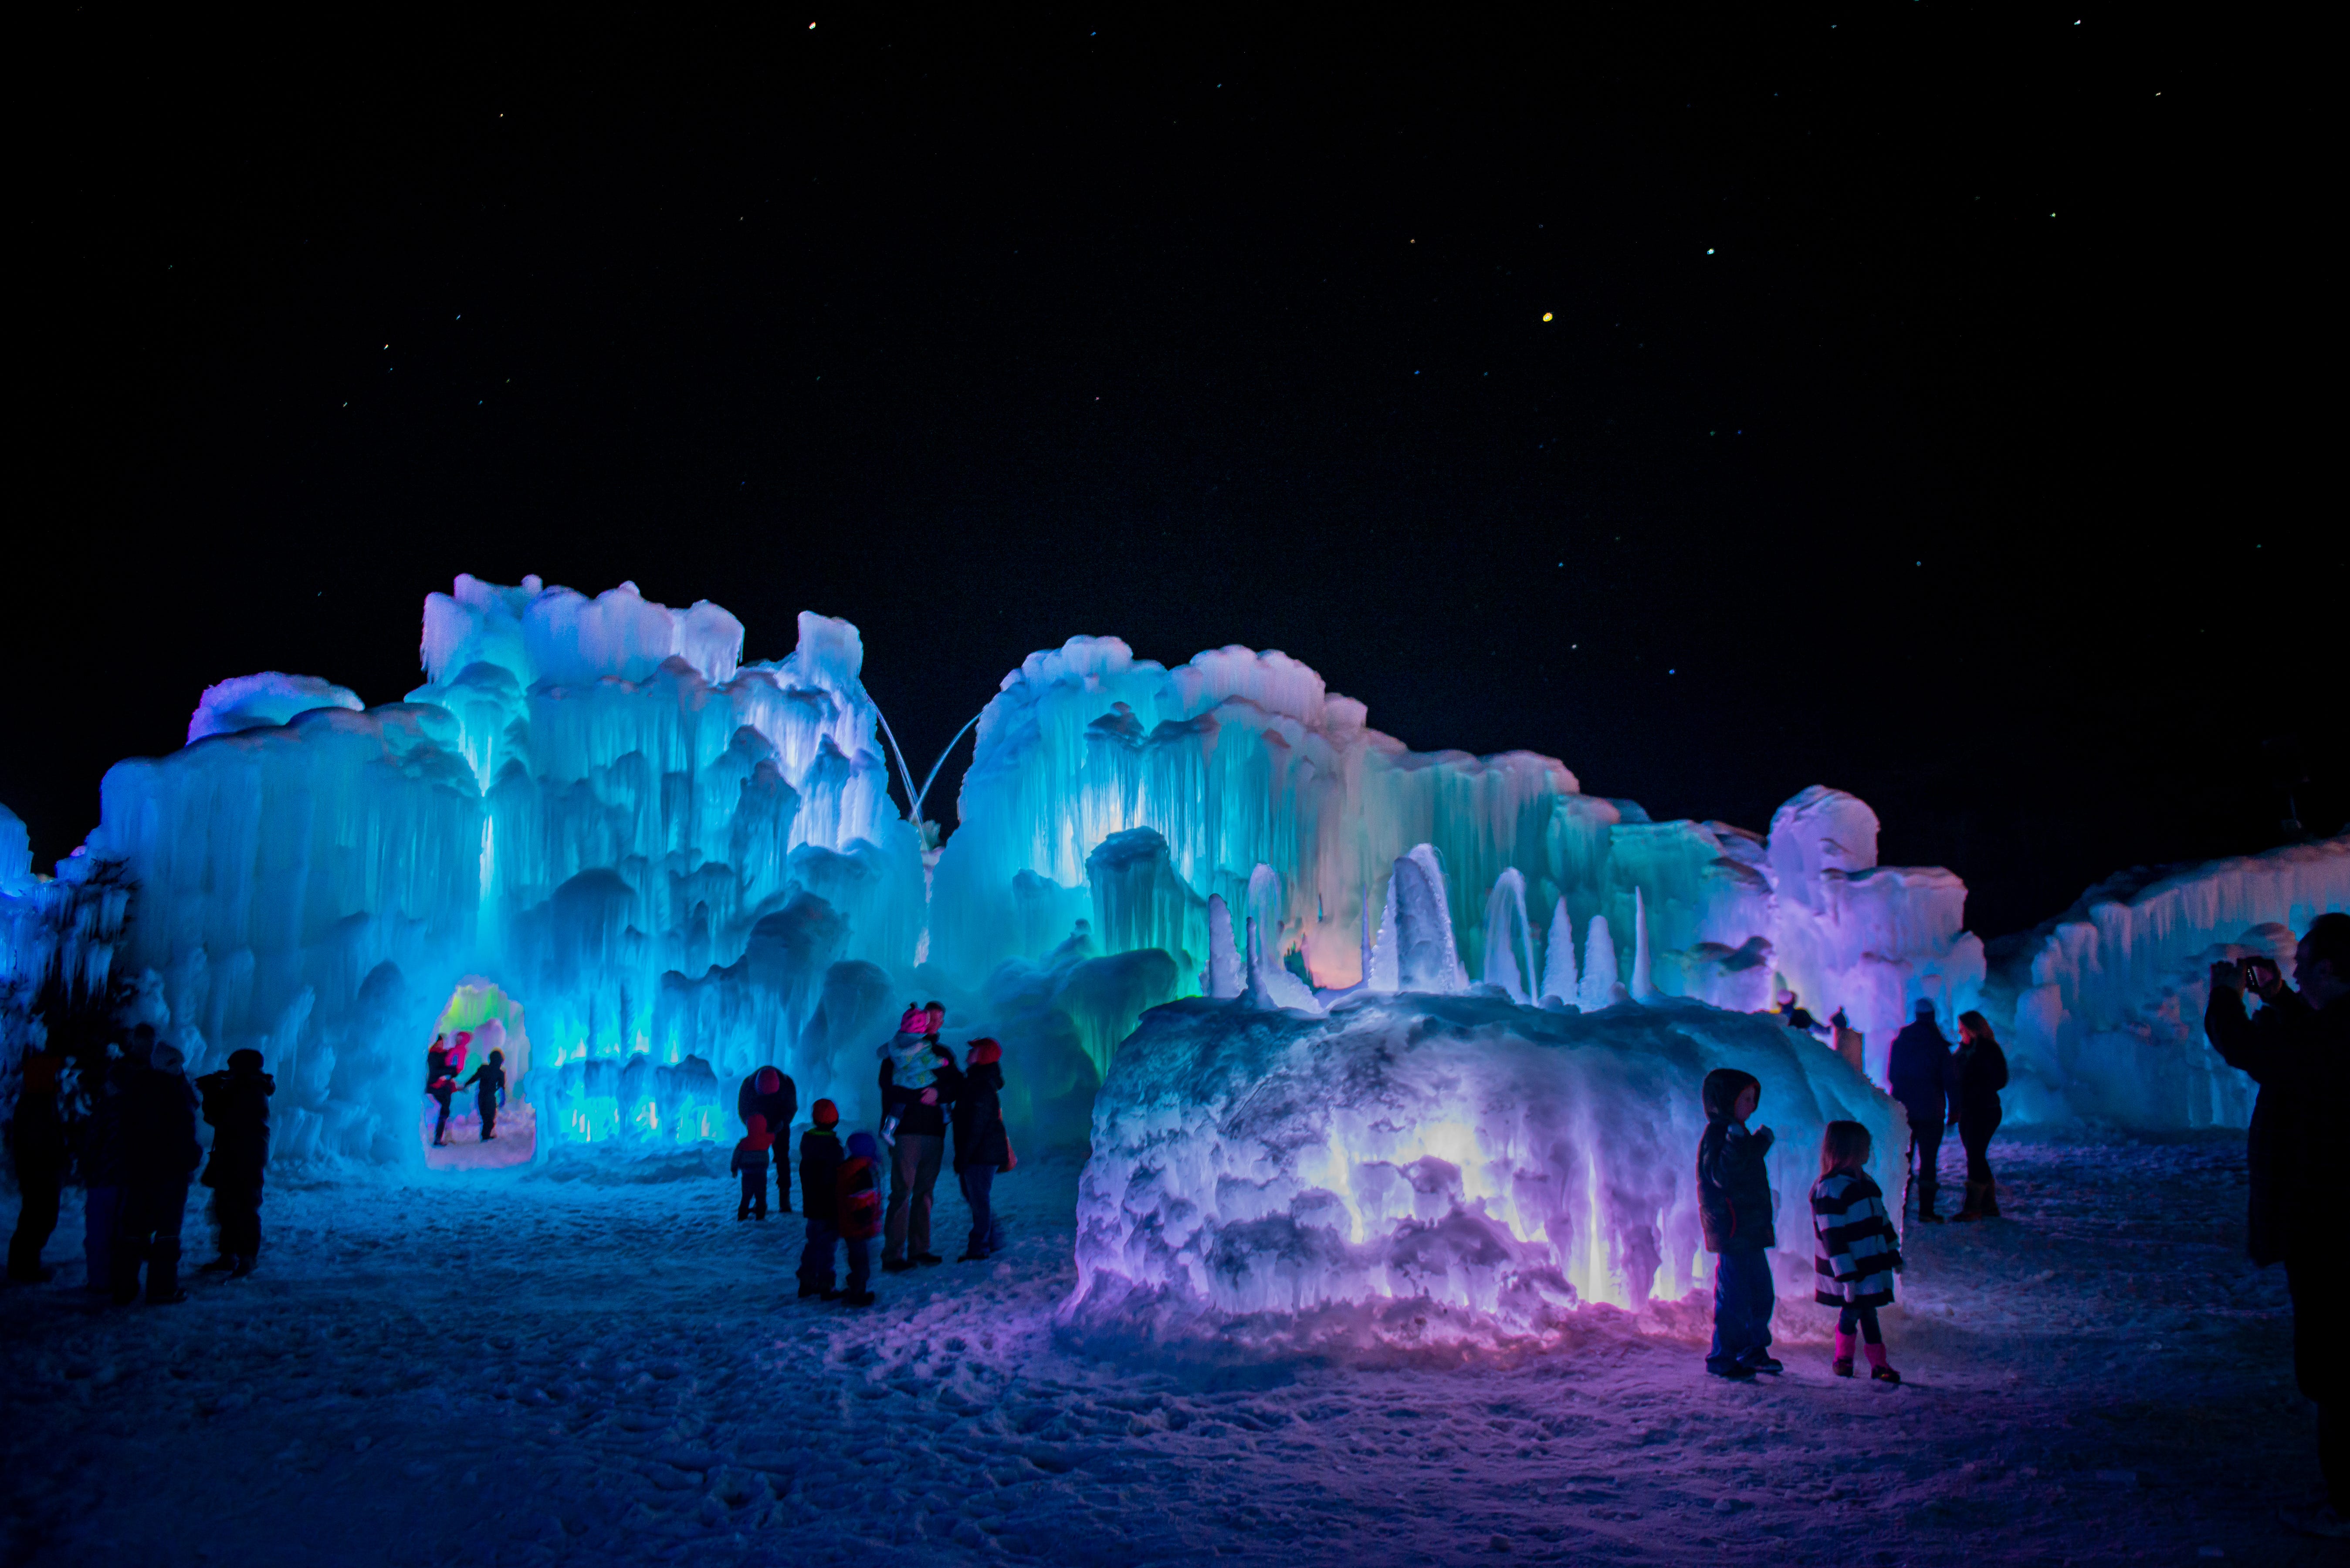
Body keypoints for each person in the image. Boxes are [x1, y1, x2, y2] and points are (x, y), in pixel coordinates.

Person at [2207, 912, 2350, 1540]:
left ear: (2326, 969)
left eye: (2300, 965)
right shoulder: (2336, 1029)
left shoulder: (2337, 1037)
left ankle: (2343, 1506)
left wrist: (2224, 996)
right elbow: (2303, 1045)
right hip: (2326, 1222)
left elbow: (2250, 1049)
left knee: (2335, 1368)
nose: (2290, 971)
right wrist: (2281, 999)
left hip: (2329, 1227)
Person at [1696, 1067, 1779, 1379]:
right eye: (1745, 1098)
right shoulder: (1717, 1135)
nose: (1751, 1105)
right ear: (1725, 1100)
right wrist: (1737, 1143)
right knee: (1734, 1296)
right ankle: (1723, 1356)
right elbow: (1721, 1176)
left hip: (1751, 1229)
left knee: (1761, 1293)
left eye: (1753, 1098)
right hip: (1732, 1231)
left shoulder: (1736, 1132)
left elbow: (1744, 1166)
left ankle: (1753, 1349)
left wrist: (1757, 1144)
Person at [1810, 1120, 1903, 1383]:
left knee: (1864, 1313)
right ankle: (1860, 1361)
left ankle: (1858, 1361)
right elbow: (1833, 1238)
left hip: (1870, 1266)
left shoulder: (1866, 1183)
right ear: (1847, 1149)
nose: (1868, 1152)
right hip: (1855, 1270)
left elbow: (1881, 1219)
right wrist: (1847, 1276)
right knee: (1857, 1313)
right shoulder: (1830, 1189)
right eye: (1864, 1147)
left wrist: (1891, 1251)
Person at [114, 1039, 202, 1305]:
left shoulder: (136, 1091)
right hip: (169, 1174)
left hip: (138, 1173)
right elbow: (183, 1137)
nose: (182, 1070)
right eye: (177, 1065)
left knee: (133, 1229)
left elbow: (126, 1133)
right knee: (167, 1231)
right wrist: (192, 1159)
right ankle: (162, 1288)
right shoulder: (174, 1097)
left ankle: (123, 1287)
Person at [878, 1004, 962, 1273]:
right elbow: (889, 1087)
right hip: (906, 1133)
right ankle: (893, 1254)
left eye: (939, 1020)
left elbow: (958, 1085)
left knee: (925, 1193)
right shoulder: (896, 1052)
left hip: (934, 1132)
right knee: (902, 1192)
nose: (934, 1024)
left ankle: (920, 1248)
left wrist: (938, 1093)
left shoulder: (942, 1053)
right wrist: (918, 1096)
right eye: (931, 1019)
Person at [194, 1048, 273, 1278]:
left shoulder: (249, 1088)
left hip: (243, 1154)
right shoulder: (251, 1085)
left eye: (233, 1066)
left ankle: (246, 1258)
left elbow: (218, 1116)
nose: (230, 1071)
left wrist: (211, 1092)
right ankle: (230, 1255)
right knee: (227, 1205)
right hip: (238, 1153)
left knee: (243, 1207)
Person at [1886, 997, 1954, 1222]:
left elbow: (1892, 1075)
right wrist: (1955, 1108)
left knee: (1904, 1160)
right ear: (1932, 1016)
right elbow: (1949, 1080)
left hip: (1904, 1109)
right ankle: (1926, 1211)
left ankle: (1900, 1209)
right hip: (1931, 1111)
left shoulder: (1901, 1041)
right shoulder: (1938, 1044)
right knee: (1928, 1161)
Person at [6, 1048, 68, 1284]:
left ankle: (25, 1264)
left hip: (44, 1173)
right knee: (37, 1219)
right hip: (40, 1174)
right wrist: (50, 1166)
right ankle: (24, 1268)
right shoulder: (36, 1103)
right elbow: (38, 1142)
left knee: (39, 1218)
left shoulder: (42, 1099)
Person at [951, 1038, 1013, 1262]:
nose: (969, 1052)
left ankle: (980, 1247)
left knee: (979, 1200)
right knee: (976, 1197)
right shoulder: (978, 1082)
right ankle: (994, 1240)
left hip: (981, 1155)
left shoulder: (980, 1086)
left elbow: (975, 1127)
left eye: (974, 1050)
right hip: (982, 1153)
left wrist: (964, 1158)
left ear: (983, 1055)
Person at [80, 1042, 134, 1293]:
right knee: (121, 1233)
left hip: (104, 1179)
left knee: (100, 1232)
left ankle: (100, 1281)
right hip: (127, 1180)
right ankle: (120, 1279)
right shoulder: (137, 1111)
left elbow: (93, 1144)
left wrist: (88, 1168)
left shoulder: (106, 1111)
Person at [1951, 1012, 2010, 1222]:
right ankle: (1988, 1205)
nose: (1960, 1032)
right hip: (1969, 1110)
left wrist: (1978, 1086)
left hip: (1985, 1110)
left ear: (1972, 1028)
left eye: (1963, 1028)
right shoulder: (1964, 1051)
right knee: (1975, 1155)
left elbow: (2001, 1079)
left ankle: (1974, 1206)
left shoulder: (1988, 1050)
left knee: (1975, 1155)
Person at [796, 1099, 846, 1298]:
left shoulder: (808, 1144)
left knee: (813, 1243)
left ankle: (807, 1281)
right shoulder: (834, 1149)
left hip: (812, 1206)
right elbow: (837, 1180)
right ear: (836, 1122)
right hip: (829, 1207)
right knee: (827, 1247)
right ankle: (827, 1285)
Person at [736, 1065, 798, 1211]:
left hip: (779, 1124)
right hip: (758, 1124)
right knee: (758, 1160)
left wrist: (783, 1122)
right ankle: (760, 1199)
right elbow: (744, 1110)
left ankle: (784, 1196)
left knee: (782, 1158)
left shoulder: (787, 1085)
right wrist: (754, 1125)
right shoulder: (748, 1087)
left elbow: (791, 1108)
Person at [836, 1129, 884, 1307]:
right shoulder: (862, 1173)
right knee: (861, 1265)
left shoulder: (848, 1169)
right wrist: (868, 1224)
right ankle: (857, 1294)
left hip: (849, 1227)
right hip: (858, 1229)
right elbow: (862, 1203)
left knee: (856, 1260)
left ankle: (854, 1287)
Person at [731, 1114, 773, 1220]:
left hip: (747, 1174)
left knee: (746, 1195)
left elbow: (737, 1156)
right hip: (761, 1173)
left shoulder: (744, 1143)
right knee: (761, 1196)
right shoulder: (765, 1140)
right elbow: (774, 1135)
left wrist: (734, 1168)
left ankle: (742, 1215)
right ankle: (760, 1215)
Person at [464, 1048, 507, 1141]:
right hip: (490, 1097)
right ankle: (486, 1136)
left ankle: (485, 1135)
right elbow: (501, 1088)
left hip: (481, 1096)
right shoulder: (500, 1073)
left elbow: (475, 1077)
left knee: (485, 1116)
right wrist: (503, 1099)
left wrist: (466, 1084)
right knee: (490, 1117)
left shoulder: (484, 1068)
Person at [425, 1033, 460, 1146]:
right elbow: (436, 1071)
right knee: (444, 1111)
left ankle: (444, 1136)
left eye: (443, 1042)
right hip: (436, 1087)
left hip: (443, 1087)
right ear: (435, 1043)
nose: (442, 1044)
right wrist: (450, 1070)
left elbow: (448, 1057)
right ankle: (438, 1138)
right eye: (440, 1042)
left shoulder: (441, 1054)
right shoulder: (433, 1055)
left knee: (446, 1110)